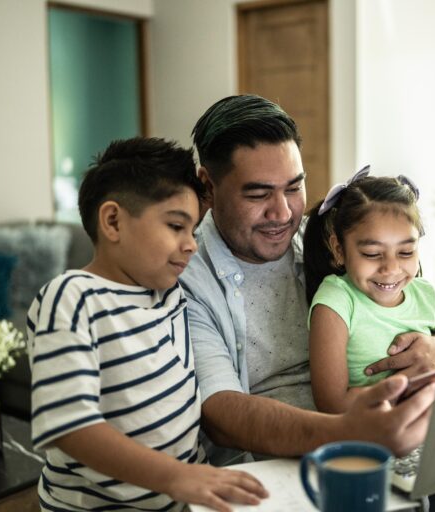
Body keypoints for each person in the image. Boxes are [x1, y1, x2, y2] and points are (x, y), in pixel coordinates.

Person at [181, 95, 435, 511]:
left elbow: (414, 306)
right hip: (289, 469)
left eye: (294, 187)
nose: (283, 212)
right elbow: (222, 415)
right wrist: (354, 430)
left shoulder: (325, 239)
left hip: (387, 433)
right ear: (208, 187)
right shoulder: (186, 278)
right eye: (258, 194)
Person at [26, 137, 268, 512]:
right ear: (113, 221)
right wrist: (176, 477)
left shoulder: (170, 295)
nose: (191, 244)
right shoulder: (73, 298)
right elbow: (70, 426)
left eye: (193, 231)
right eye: (175, 226)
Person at [303, 167, 435, 507]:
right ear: (339, 249)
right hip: (379, 446)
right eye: (372, 254)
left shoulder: (426, 295)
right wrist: (405, 392)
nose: (391, 268)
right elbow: (331, 403)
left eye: (406, 252)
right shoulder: (336, 300)